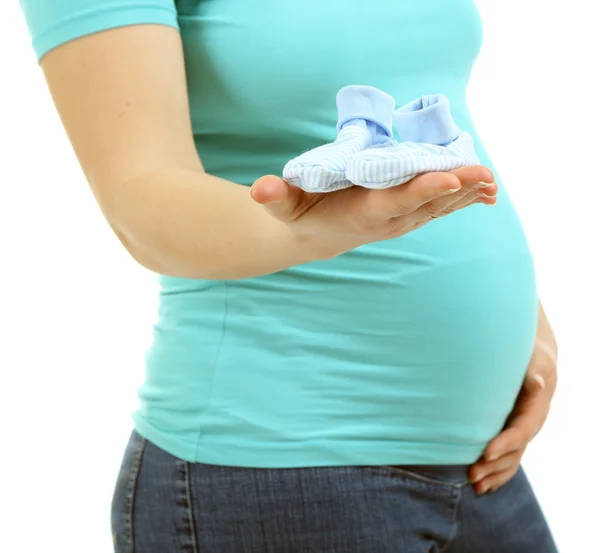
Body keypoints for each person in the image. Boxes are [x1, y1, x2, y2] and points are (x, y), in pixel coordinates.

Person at [19, 0, 559, 551]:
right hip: (279, 470)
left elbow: (438, 141)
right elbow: (140, 203)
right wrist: (312, 230)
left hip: (485, 468)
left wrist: (528, 329)